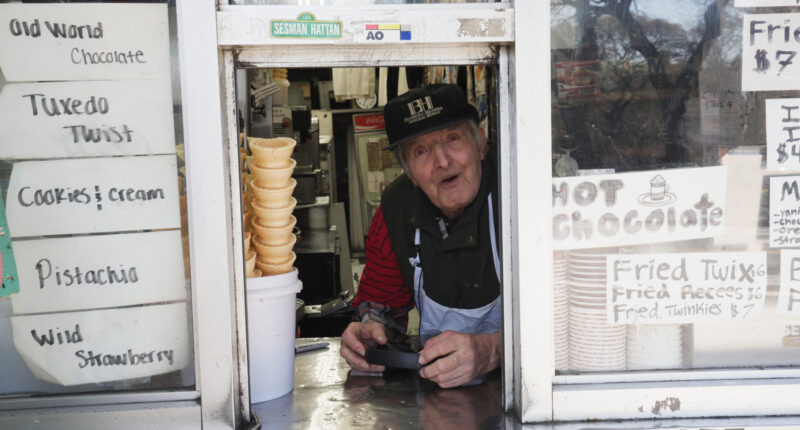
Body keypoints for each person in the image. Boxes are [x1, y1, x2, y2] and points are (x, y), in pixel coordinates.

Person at [340, 84, 501, 388]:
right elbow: (381, 302)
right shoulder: (395, 212)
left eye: (453, 139)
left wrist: (494, 350)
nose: (443, 162)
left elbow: (572, 319)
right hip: (443, 395)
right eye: (421, 151)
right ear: (409, 172)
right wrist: (371, 328)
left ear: (480, 144)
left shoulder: (519, 190)